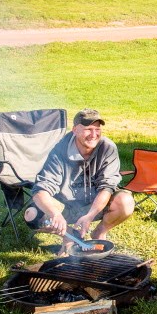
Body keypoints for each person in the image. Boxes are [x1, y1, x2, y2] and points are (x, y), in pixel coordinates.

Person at [24, 108, 135, 252]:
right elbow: (41, 190)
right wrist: (55, 214)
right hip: (66, 206)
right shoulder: (59, 151)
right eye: (88, 129)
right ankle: (69, 235)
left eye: (97, 129)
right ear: (75, 130)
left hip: (94, 204)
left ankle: (99, 232)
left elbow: (107, 187)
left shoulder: (107, 148)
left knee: (126, 202)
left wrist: (90, 215)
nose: (94, 135)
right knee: (31, 214)